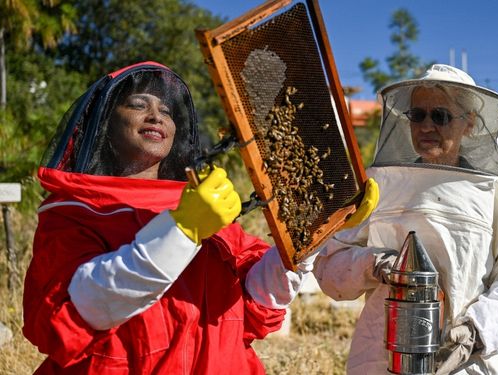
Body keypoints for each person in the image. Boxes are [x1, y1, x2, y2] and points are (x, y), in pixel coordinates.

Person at [22, 61, 376, 374]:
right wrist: (182, 229)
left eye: (166, 110)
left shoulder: (204, 206)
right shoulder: (75, 212)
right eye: (137, 104)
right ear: (105, 127)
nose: (156, 115)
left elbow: (257, 302)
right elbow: (85, 308)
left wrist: (313, 231)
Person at [313, 64, 498, 375]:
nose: (426, 125)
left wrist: (475, 334)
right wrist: (372, 264)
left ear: (468, 123)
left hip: (469, 363)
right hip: (384, 355)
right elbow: (329, 267)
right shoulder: (378, 186)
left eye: (440, 116)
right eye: (417, 115)